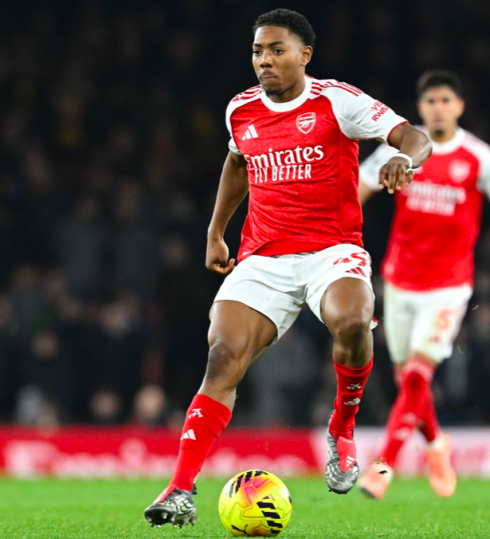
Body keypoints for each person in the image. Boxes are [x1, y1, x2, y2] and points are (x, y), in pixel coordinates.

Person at [143, 8, 431, 528]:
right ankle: (180, 489)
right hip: (264, 257)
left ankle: (342, 428)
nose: (265, 60)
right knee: (222, 356)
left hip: (331, 250)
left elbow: (414, 136)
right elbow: (238, 162)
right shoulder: (241, 109)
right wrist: (215, 231)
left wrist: (405, 160)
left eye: (277, 50)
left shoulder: (336, 100)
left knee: (353, 321)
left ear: (304, 55)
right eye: (258, 51)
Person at [355, 70, 490, 500]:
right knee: (409, 382)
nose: (438, 108)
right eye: (431, 101)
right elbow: (356, 193)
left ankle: (383, 467)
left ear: (459, 106)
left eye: (445, 100)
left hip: (449, 285)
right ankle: (437, 444)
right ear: (420, 107)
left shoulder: (478, 156)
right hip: (399, 281)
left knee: (417, 375)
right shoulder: (400, 150)